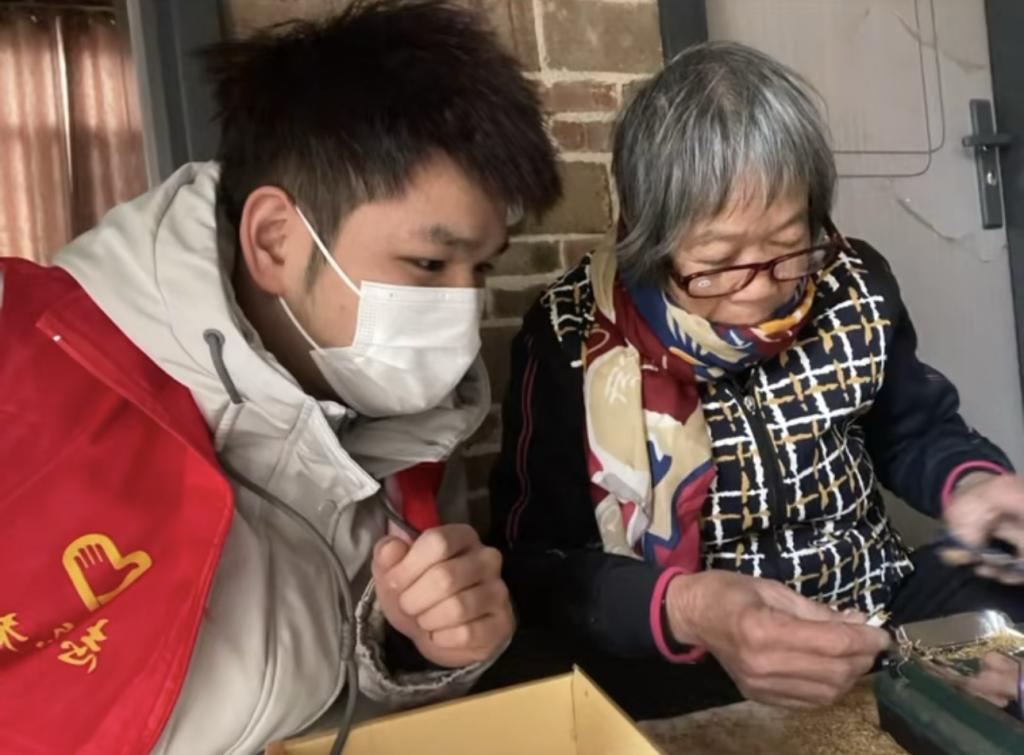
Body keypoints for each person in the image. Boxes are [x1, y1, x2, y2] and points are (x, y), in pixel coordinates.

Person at [0, 1, 559, 752]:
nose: (462, 313)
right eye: (429, 263)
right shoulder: (31, 370)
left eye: (481, 268)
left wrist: (419, 648)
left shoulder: (408, 422)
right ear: (274, 241)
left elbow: (340, 702)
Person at [488, 41, 1023, 719]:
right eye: (719, 262)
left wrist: (974, 485)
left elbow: (914, 430)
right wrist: (684, 606)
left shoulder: (850, 283)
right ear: (646, 239)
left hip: (874, 606)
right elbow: (538, 561)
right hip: (690, 644)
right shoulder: (570, 335)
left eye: (789, 246)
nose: (762, 289)